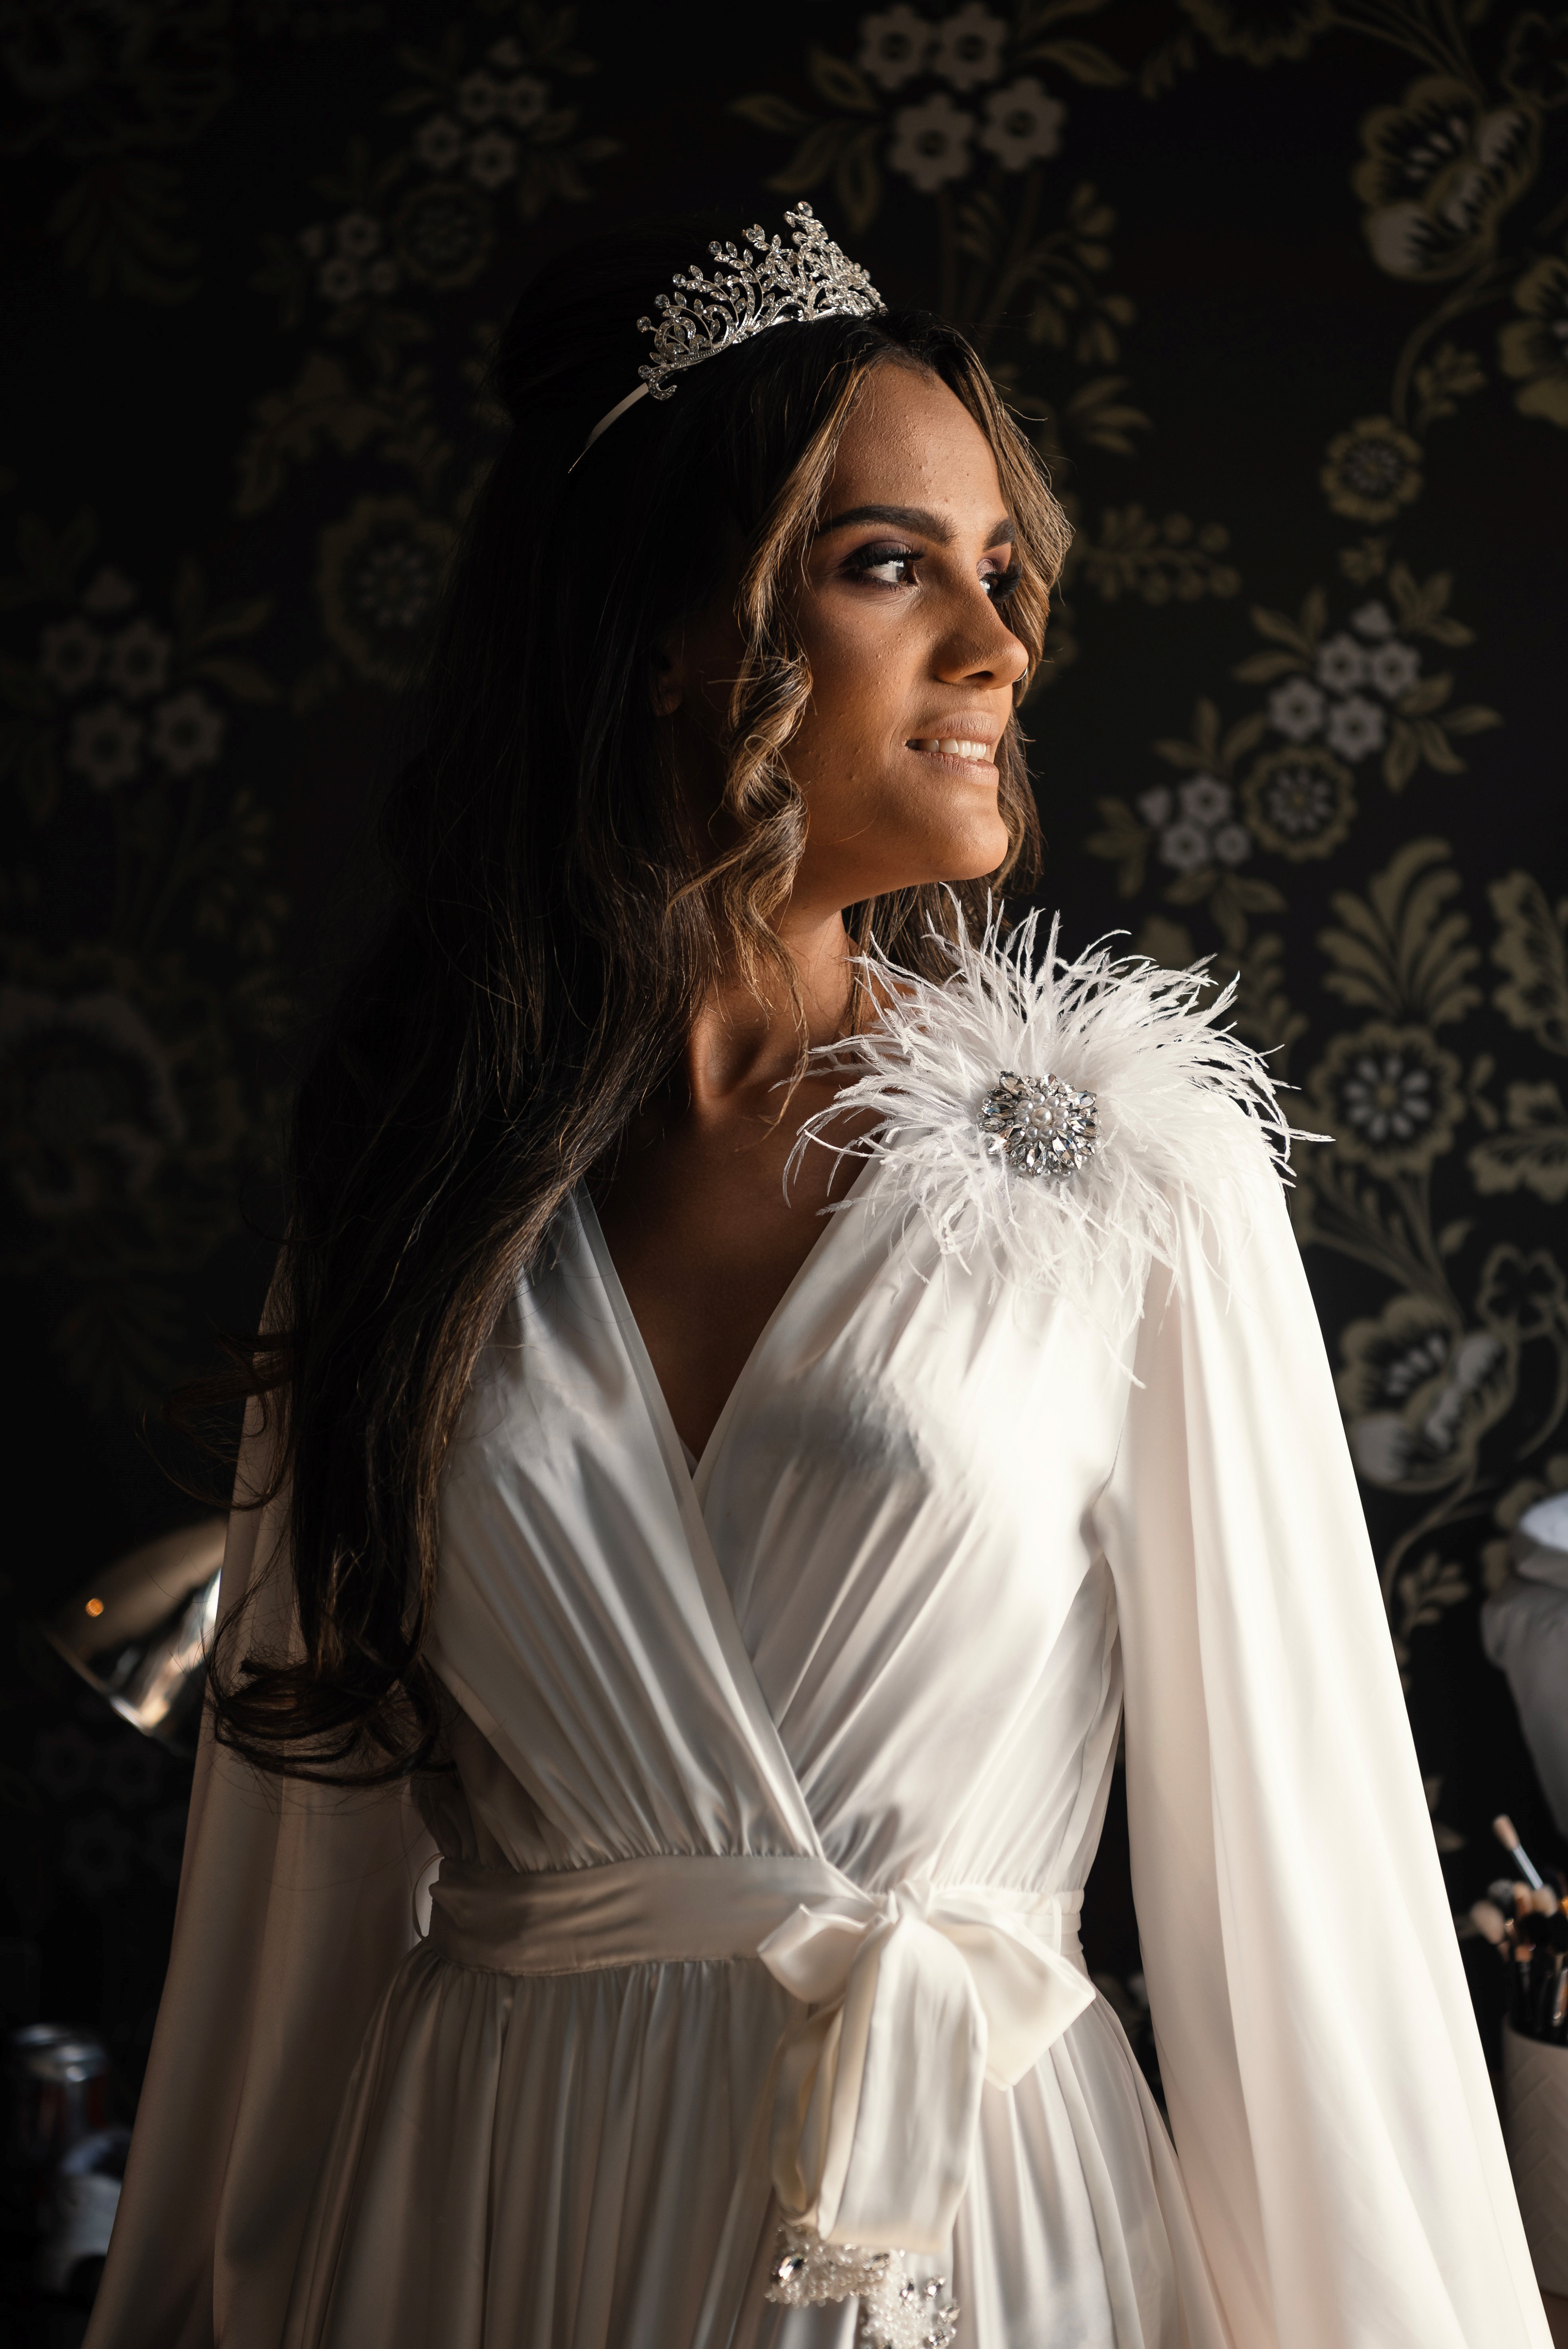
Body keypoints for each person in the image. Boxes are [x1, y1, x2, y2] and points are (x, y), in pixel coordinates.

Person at [85, 207, 1547, 2349]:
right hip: (492, 2220)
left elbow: (1302, 1901)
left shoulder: (1124, 1160)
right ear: (666, 631)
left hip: (970, 2225)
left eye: (1002, 572)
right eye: (889, 565)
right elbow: (290, 1896)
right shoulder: (414, 1189)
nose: (998, 642)